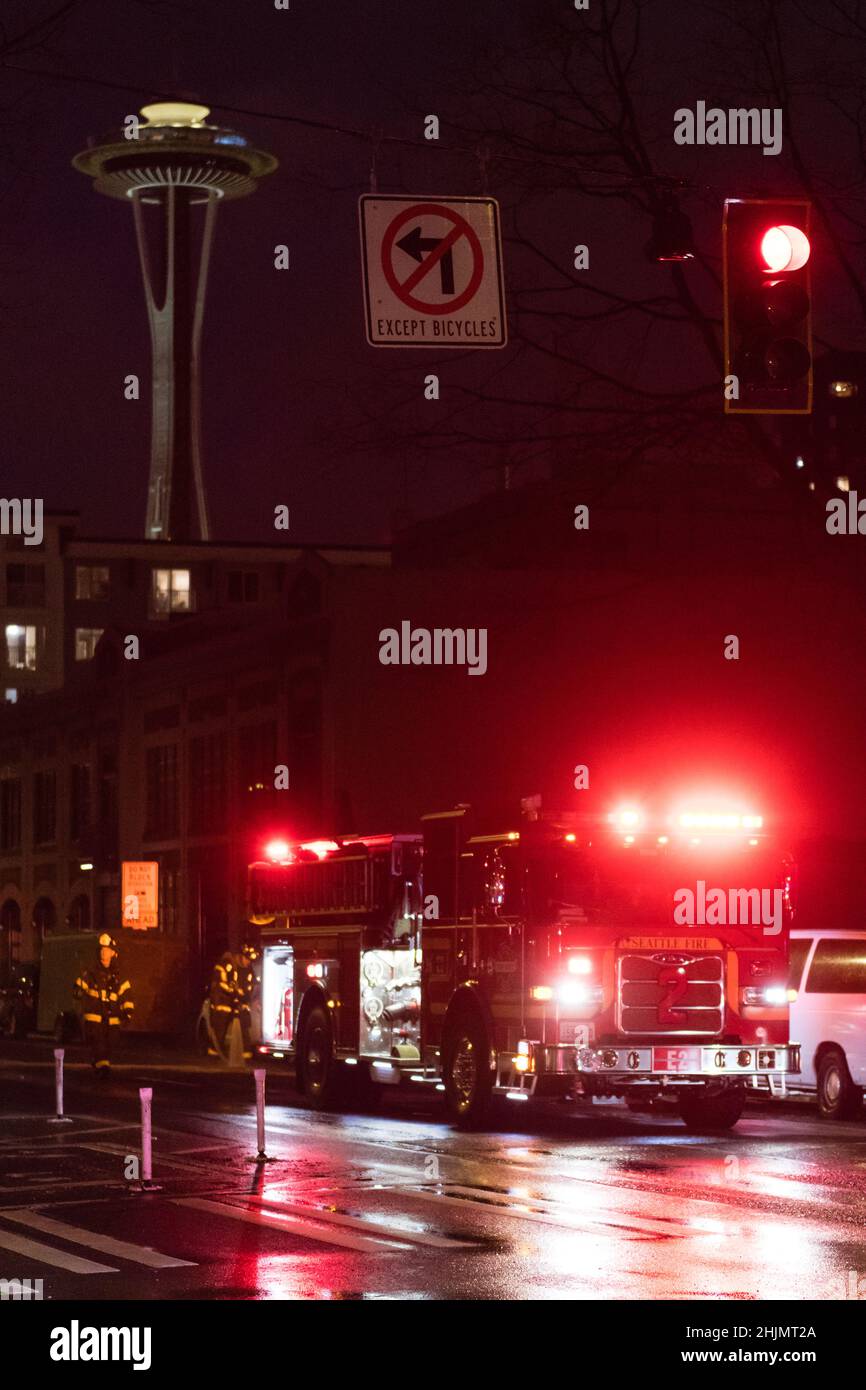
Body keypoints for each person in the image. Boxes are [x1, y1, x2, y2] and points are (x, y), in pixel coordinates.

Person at [73, 933, 134, 1074]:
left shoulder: (119, 976)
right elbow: (78, 987)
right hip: (94, 1017)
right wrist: (78, 991)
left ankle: (100, 1063)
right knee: (98, 1042)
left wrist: (128, 1011)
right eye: (101, 949)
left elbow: (126, 994)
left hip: (112, 1018)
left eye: (106, 950)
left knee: (110, 1043)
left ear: (113, 953)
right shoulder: (90, 973)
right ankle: (102, 1068)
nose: (103, 952)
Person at [207, 950, 237, 1058]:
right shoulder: (227, 967)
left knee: (217, 1029)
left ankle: (214, 1051)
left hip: (218, 1005)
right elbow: (226, 984)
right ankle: (217, 1051)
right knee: (221, 1030)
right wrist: (233, 991)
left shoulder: (219, 967)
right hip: (223, 1004)